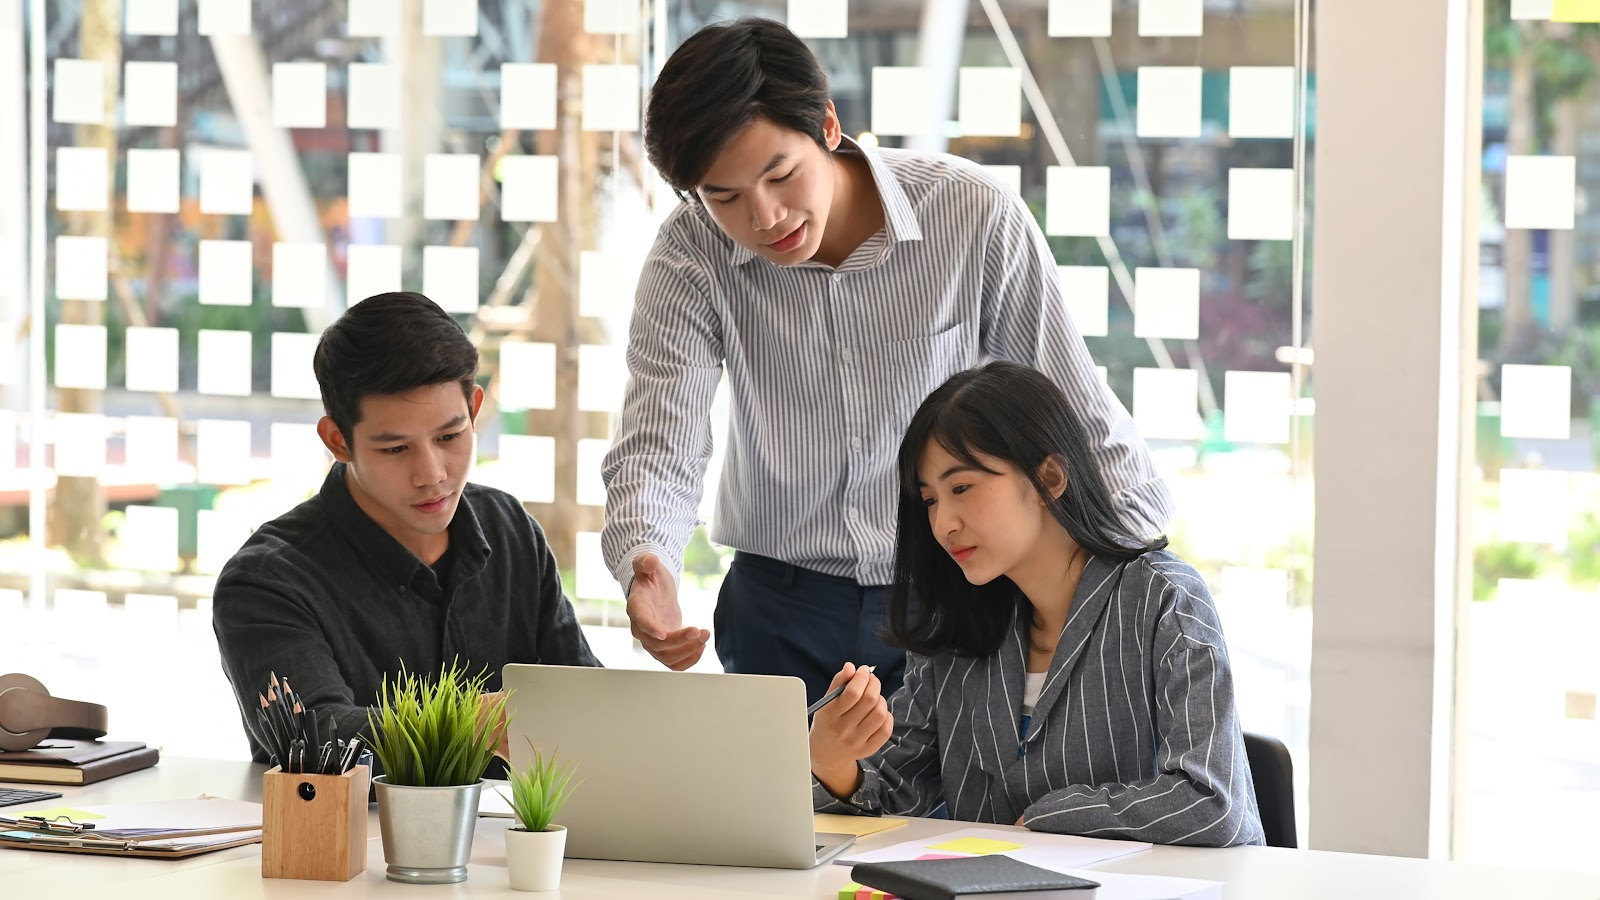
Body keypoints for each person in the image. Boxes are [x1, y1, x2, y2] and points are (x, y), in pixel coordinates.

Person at [602, 17, 1171, 706]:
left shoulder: (971, 215)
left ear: (829, 128)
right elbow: (662, 439)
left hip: (955, 592)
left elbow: (1071, 413)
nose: (765, 216)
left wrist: (1149, 579)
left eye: (781, 174)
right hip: (779, 608)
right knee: (786, 812)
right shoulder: (691, 251)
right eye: (724, 197)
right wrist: (646, 561)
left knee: (957, 813)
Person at [807, 361, 1262, 847]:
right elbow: (893, 792)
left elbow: (1213, 803)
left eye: (961, 488)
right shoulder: (956, 625)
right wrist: (833, 762)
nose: (943, 525)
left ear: (1049, 478)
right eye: (931, 500)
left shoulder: (1164, 599)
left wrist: (1054, 816)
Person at [213, 292, 601, 769]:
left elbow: (587, 701)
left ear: (474, 409)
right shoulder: (267, 581)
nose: (432, 473)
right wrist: (467, 722)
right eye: (396, 449)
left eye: (450, 437)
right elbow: (313, 739)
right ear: (338, 441)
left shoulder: (510, 530)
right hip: (352, 842)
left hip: (515, 841)